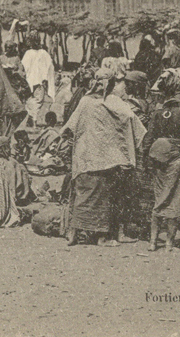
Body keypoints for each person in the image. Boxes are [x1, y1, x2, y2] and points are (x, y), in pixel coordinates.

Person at [63, 69, 145, 247]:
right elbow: (131, 118)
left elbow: (71, 125)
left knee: (82, 196)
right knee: (105, 198)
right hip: (106, 160)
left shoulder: (85, 101)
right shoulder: (113, 101)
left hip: (85, 158)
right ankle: (102, 237)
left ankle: (73, 234)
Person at [141, 87, 180, 251]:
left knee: (160, 196)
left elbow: (148, 138)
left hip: (159, 156)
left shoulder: (158, 113)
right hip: (177, 157)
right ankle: (169, 243)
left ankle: (153, 242)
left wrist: (147, 159)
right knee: (176, 197)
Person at [22, 34, 56, 99]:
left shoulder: (29, 53)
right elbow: (51, 68)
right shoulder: (44, 53)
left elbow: (24, 69)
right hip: (40, 84)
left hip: (33, 83)